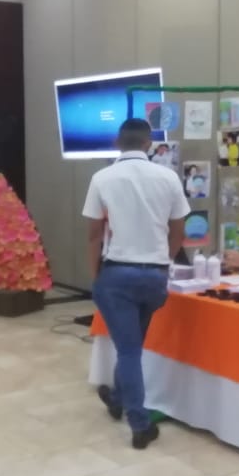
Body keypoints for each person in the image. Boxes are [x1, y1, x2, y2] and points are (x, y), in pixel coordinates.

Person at [83, 119, 189, 449]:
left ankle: (139, 423)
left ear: (117, 142)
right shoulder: (168, 177)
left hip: (117, 274)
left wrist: (96, 275)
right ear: (148, 144)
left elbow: (94, 234)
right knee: (132, 345)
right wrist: (163, 262)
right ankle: (117, 398)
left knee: (128, 349)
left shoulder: (102, 178)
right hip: (154, 277)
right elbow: (178, 231)